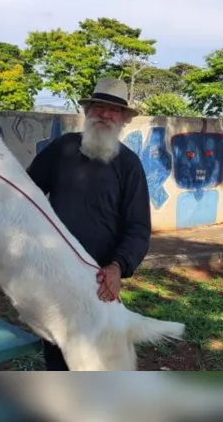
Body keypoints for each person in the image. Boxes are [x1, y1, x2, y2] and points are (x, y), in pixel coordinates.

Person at [26, 78, 152, 371]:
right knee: (58, 355)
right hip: (54, 275)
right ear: (88, 111)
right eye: (99, 107)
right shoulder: (63, 149)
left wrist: (118, 267)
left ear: (122, 119)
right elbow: (28, 194)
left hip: (99, 283)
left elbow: (138, 229)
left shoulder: (129, 165)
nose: (105, 115)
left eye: (113, 110)